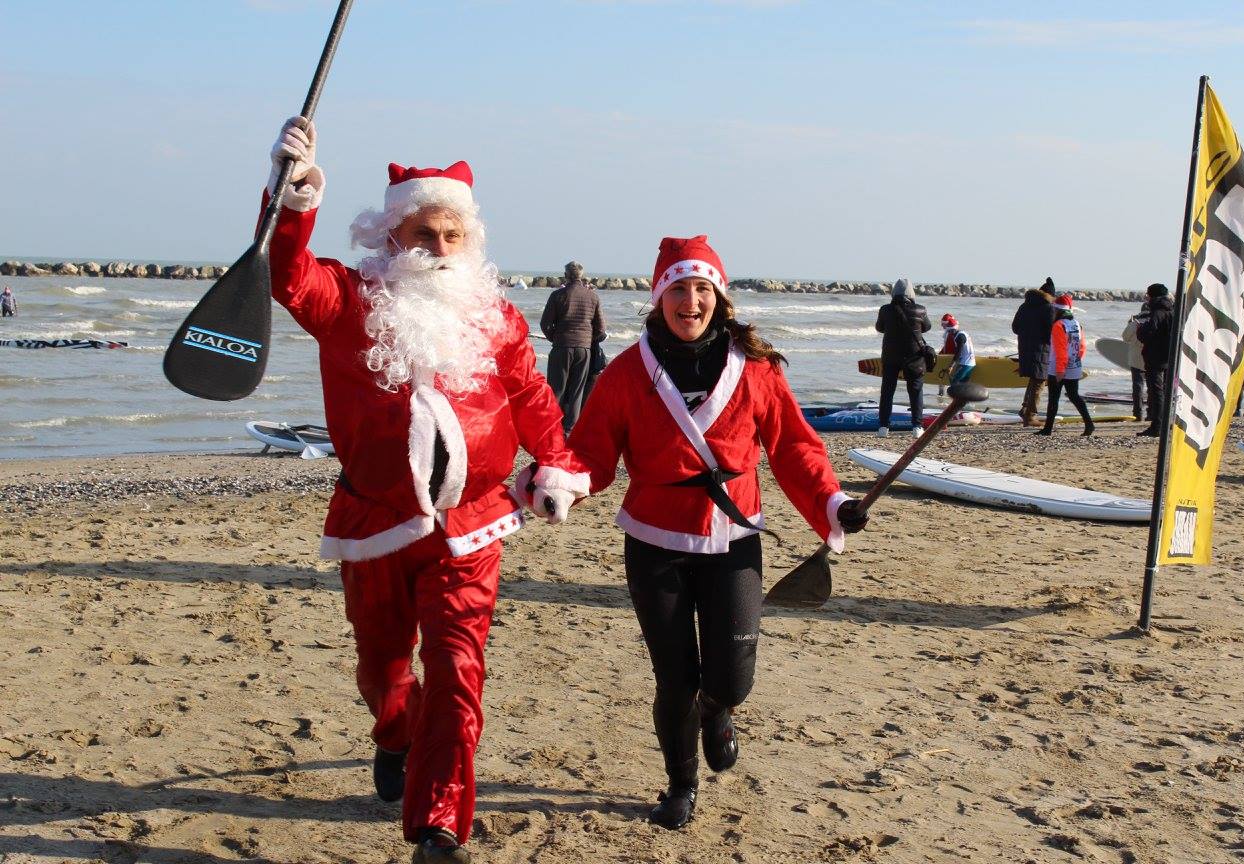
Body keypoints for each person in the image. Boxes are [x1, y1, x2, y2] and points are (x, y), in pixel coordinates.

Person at [263, 116, 590, 864]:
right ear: (391, 236)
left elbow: (535, 396)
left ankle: (438, 826)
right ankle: (391, 730)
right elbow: (285, 276)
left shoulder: (497, 317)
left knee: (457, 671)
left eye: (451, 236)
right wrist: (291, 198)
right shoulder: (346, 300)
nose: (438, 249)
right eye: (422, 234)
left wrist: (558, 462)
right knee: (383, 668)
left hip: (472, 529)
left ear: (469, 241)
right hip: (375, 522)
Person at [566, 235, 869, 831]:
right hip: (654, 541)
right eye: (678, 288)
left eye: (702, 288)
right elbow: (592, 455)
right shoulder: (628, 372)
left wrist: (832, 502)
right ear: (659, 299)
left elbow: (795, 448)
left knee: (732, 676)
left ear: (718, 298)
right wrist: (560, 481)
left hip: (734, 540)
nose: (690, 300)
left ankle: (719, 710)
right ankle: (681, 783)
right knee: (673, 678)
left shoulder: (756, 368)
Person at [540, 260, 606, 434]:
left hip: (562, 346)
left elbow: (545, 323)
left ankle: (551, 426)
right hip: (584, 349)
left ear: (566, 276)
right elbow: (601, 328)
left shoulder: (558, 295)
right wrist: (588, 340)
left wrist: (554, 337)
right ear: (581, 276)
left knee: (557, 388)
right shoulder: (593, 296)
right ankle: (570, 430)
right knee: (578, 389)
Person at [874, 277, 931, 438]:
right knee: (915, 391)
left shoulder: (885, 310)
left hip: (890, 356)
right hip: (914, 357)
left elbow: (880, 327)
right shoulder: (920, 310)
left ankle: (883, 427)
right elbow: (927, 327)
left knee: (887, 391)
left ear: (893, 293)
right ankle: (917, 427)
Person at [1038, 294, 1095, 437]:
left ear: (1056, 310)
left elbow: (1060, 349)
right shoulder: (1076, 323)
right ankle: (1089, 424)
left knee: (1053, 398)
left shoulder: (1058, 325)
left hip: (1059, 367)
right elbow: (1082, 347)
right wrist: (1075, 361)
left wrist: (1060, 370)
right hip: (1074, 366)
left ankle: (1048, 429)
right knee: (1074, 396)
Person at [1011, 277, 1055, 426]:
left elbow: (1015, 328)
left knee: (1034, 380)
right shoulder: (1048, 308)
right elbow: (1051, 333)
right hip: (1042, 350)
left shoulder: (1024, 306)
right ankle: (1030, 416)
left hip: (1024, 348)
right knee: (1039, 382)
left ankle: (1025, 409)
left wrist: (1027, 334)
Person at [1137, 282, 1175, 437]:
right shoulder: (1172, 311)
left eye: (1148, 294)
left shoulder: (1157, 312)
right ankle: (1164, 424)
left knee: (1156, 392)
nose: (1146, 297)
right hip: (1170, 356)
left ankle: (1157, 426)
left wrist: (1140, 329)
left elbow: (1147, 333)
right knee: (1165, 392)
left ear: (1153, 296)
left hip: (1156, 356)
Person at [1121, 303, 1151, 422]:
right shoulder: (1154, 322)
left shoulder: (1135, 323)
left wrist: (1129, 324)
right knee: (1152, 388)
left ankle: (1137, 414)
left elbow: (1125, 338)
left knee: (1137, 387)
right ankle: (1151, 413)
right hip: (1151, 358)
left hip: (1136, 359)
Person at [939, 313, 976, 387]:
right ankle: (964, 398)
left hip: (966, 364)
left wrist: (951, 366)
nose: (950, 333)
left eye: (950, 331)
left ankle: (956, 398)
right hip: (970, 363)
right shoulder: (962, 333)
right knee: (963, 385)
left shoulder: (960, 337)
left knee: (954, 383)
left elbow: (958, 353)